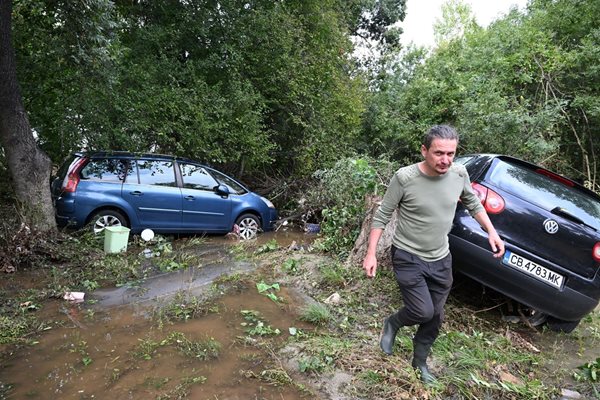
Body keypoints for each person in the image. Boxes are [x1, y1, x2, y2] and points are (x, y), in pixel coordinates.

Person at [362, 125, 504, 384]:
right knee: (422, 311)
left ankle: (420, 362)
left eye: (451, 153)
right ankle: (393, 323)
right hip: (408, 256)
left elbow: (473, 203)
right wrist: (371, 253)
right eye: (439, 153)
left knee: (435, 317)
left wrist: (492, 232)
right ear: (424, 150)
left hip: (441, 258)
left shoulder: (459, 173)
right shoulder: (404, 178)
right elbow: (382, 215)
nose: (445, 160)